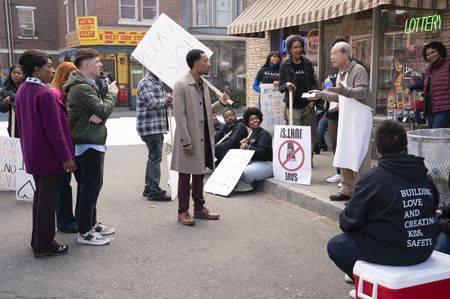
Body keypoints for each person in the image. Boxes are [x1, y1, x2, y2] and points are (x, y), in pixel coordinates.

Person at [327, 120, 439, 284]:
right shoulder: (425, 177)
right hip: (423, 251)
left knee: (337, 245)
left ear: (378, 150)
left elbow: (347, 223)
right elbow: (433, 207)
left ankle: (367, 280)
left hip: (392, 252)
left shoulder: (372, 180)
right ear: (406, 147)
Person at [15, 50, 76, 257]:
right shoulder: (45, 94)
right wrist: (66, 157)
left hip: (34, 153)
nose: (52, 70)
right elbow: (55, 130)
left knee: (41, 198)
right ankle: (45, 244)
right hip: (49, 156)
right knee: (47, 202)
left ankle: (39, 240)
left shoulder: (24, 89)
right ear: (36, 69)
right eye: (48, 67)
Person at [65, 48, 118, 246]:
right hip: (88, 143)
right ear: (85, 65)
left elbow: (101, 110)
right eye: (97, 62)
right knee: (90, 187)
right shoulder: (81, 87)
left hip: (91, 141)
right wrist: (112, 95)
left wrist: (101, 112)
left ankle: (89, 224)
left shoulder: (87, 84)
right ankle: (85, 232)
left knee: (91, 186)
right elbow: (103, 108)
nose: (100, 64)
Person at [171, 49, 230, 226]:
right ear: (196, 63)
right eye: (206, 61)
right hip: (188, 137)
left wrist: (221, 104)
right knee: (185, 175)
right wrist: (185, 141)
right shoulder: (181, 84)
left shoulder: (202, 84)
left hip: (203, 135)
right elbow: (179, 115)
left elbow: (205, 111)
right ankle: (182, 211)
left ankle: (199, 208)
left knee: (199, 173)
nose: (209, 63)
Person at [310, 41, 372, 202]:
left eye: (334, 53)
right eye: (331, 53)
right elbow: (338, 96)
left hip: (359, 119)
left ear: (346, 54)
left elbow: (362, 91)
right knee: (345, 152)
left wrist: (343, 90)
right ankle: (347, 189)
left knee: (358, 155)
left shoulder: (358, 69)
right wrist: (320, 94)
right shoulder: (340, 72)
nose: (331, 56)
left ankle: (360, 194)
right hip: (346, 117)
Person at [50, 61, 81, 233]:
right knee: (63, 185)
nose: (75, 76)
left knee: (66, 184)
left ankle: (68, 219)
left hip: (69, 143)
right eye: (72, 73)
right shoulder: (56, 94)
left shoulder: (65, 92)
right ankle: (65, 221)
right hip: (63, 147)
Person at [279, 35, 318, 156]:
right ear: (289, 49)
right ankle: (293, 160)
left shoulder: (307, 63)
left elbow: (313, 83)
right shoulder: (285, 65)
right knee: (294, 134)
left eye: (300, 47)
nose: (297, 50)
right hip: (293, 106)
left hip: (308, 105)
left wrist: (313, 100)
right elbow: (281, 88)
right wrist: (287, 84)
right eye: (295, 47)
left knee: (308, 135)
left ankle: (308, 161)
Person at [136, 69, 172, 201]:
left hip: (156, 126)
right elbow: (153, 103)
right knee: (155, 157)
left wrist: (167, 97)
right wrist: (165, 100)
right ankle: (154, 191)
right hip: (150, 127)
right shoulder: (145, 83)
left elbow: (161, 99)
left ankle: (149, 187)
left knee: (153, 156)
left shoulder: (157, 82)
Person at [233, 107, 273, 192]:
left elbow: (262, 152)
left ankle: (243, 184)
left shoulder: (264, 134)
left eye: (257, 118)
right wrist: (243, 146)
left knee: (245, 171)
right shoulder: (251, 134)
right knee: (233, 165)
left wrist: (247, 146)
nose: (255, 121)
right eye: (252, 119)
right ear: (248, 122)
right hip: (255, 162)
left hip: (266, 163)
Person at [422, 41, 450, 128]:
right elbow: (425, 84)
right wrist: (410, 88)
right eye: (428, 54)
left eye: (433, 52)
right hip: (430, 108)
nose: (430, 55)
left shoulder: (448, 65)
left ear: (440, 51)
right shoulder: (430, 69)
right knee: (433, 134)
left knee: (436, 134)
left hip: (444, 107)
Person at [0, 64, 24, 137]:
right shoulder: (5, 90)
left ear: (23, 75)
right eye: (14, 73)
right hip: (14, 125)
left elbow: (28, 97)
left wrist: (12, 96)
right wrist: (8, 103)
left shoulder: (28, 87)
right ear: (10, 75)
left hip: (29, 122)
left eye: (19, 73)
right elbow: (2, 109)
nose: (16, 75)